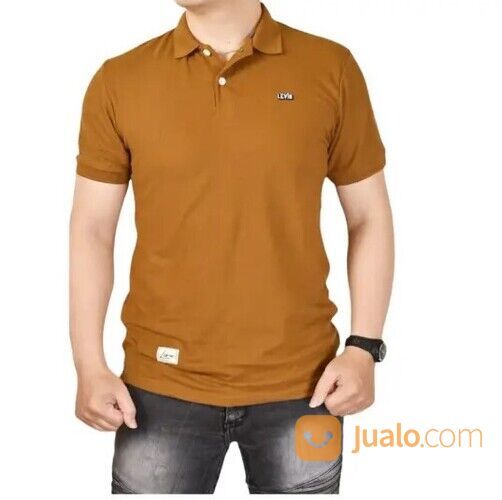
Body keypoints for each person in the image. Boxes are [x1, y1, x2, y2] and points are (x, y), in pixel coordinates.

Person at [69, 0, 394, 494]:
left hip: (306, 387)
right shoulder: (120, 80)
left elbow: (369, 215)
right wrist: (88, 364)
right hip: (158, 387)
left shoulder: (330, 68)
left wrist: (363, 348)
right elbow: (92, 229)